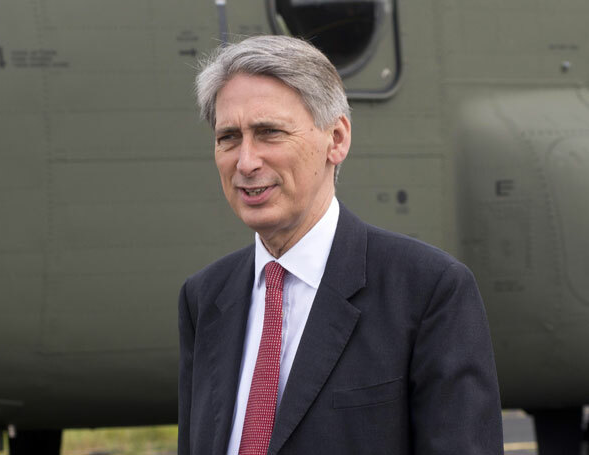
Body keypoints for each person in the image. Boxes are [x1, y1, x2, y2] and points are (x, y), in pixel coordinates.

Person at [178, 35, 503, 455]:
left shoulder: (428, 291)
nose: (246, 161)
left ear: (336, 139)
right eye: (229, 138)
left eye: (269, 133)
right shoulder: (204, 298)